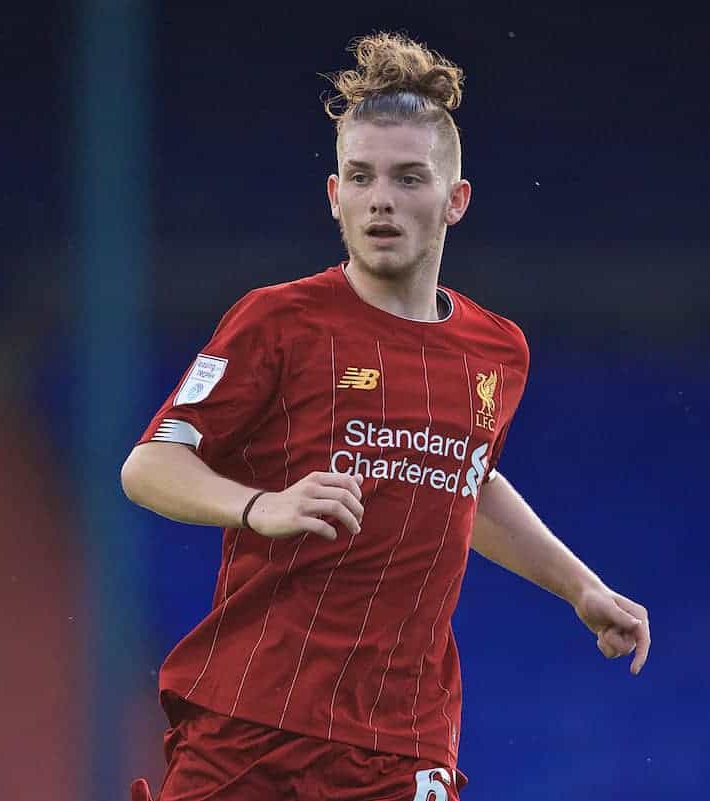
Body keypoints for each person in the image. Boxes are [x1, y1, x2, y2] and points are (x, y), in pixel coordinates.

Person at [121, 31, 650, 801]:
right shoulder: (277, 322)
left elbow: (468, 479)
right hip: (256, 717)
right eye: (361, 177)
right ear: (334, 194)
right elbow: (149, 464)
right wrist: (260, 505)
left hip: (402, 737)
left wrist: (579, 586)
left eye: (409, 179)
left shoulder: (499, 351)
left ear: (455, 200)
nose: (382, 200)